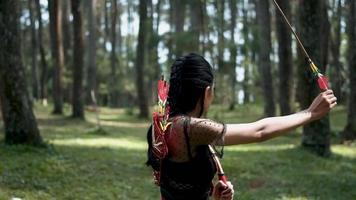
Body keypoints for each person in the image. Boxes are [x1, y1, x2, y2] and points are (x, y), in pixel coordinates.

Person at [146, 53, 337, 200]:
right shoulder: (193, 129)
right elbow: (259, 131)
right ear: (207, 92)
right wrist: (310, 113)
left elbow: (177, 183)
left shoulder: (159, 125)